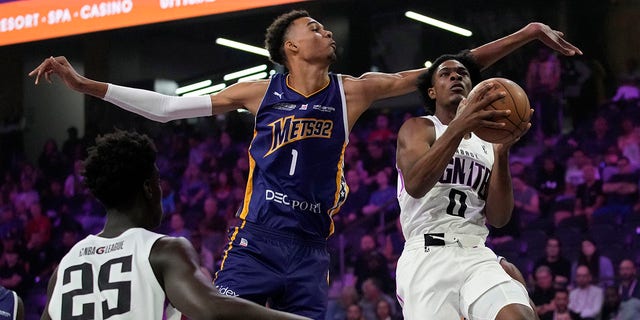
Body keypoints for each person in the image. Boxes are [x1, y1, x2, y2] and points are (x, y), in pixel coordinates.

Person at [29, 9, 581, 318]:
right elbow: (170, 108)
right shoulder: (257, 91)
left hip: (312, 247)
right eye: (311, 27)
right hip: (258, 238)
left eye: (322, 24)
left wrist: (527, 35)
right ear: (289, 47)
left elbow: (448, 66)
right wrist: (86, 85)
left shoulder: (354, 91)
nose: (323, 30)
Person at [40, 130, 308, 320]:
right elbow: (213, 309)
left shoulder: (65, 266)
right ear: (148, 188)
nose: (160, 190)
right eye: (158, 182)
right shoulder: (163, 250)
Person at [394, 49, 539, 319]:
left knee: (520, 315)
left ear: (473, 89)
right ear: (432, 92)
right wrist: (459, 126)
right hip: (427, 255)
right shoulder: (419, 128)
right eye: (445, 74)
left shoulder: (489, 143)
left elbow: (498, 218)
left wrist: (503, 152)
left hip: (475, 252)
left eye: (462, 74)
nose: (455, 77)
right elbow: (416, 185)